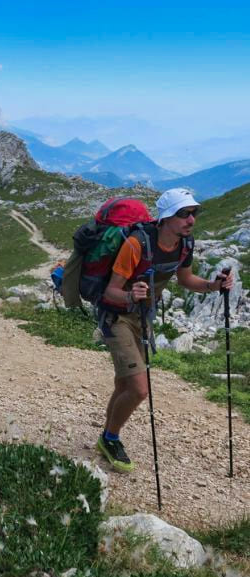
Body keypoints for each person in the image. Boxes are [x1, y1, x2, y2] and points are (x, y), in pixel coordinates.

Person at [97, 189, 234, 472]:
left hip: (142, 317)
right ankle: (110, 438)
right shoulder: (136, 245)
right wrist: (130, 296)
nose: (191, 219)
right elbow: (110, 291)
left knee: (125, 384)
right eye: (184, 214)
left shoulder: (185, 245)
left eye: (194, 213)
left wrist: (213, 285)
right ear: (166, 217)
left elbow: (185, 279)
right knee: (138, 389)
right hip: (117, 317)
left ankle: (107, 436)